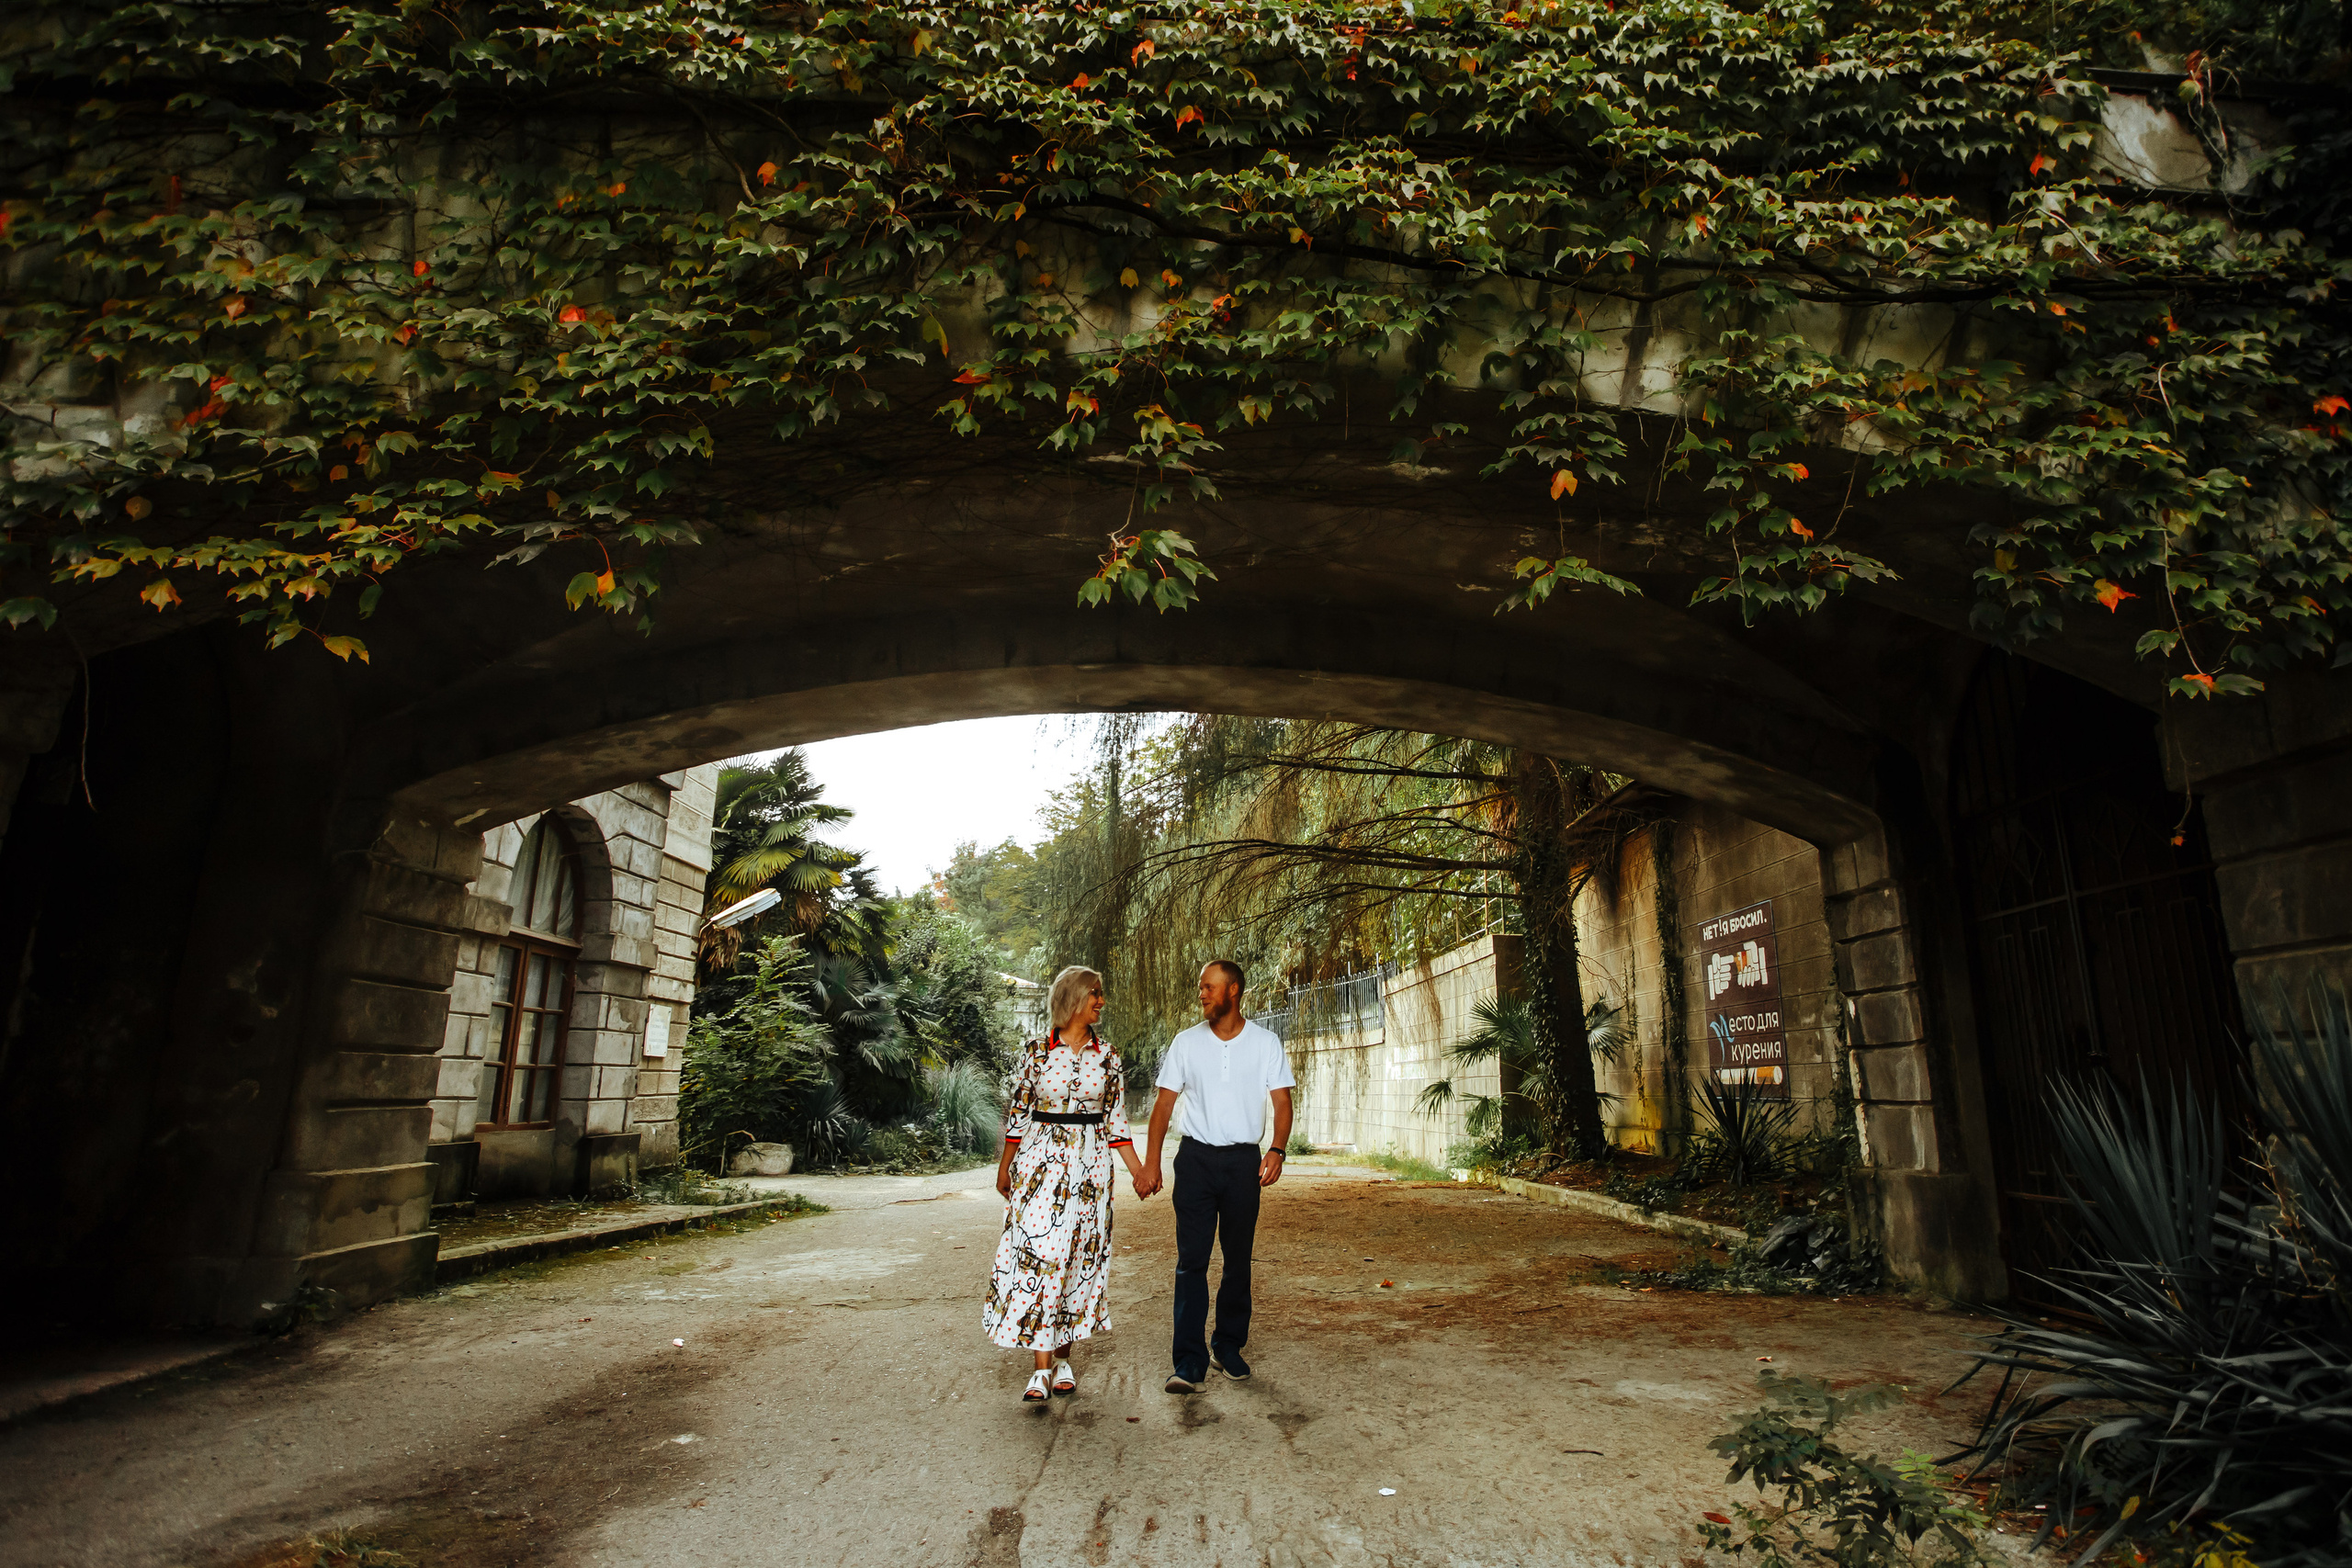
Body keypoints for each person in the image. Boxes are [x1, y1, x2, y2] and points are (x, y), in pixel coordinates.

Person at [983, 964, 1159, 1403]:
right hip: (1040, 1165)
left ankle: (1063, 1359)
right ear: (1073, 998)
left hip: (1092, 1168)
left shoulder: (1109, 1056)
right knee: (1041, 1258)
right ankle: (1041, 1370)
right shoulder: (1036, 1053)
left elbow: (1116, 1121)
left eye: (1101, 994)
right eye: (1095, 993)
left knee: (1078, 1259)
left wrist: (1139, 1170)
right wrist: (1005, 1168)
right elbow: (1019, 1116)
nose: (1101, 1000)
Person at [1143, 959, 1295, 1394]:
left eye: (1209, 987)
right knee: (1191, 1262)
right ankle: (1187, 1362)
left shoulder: (1265, 1042)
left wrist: (1277, 1150)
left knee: (1237, 1260)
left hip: (1242, 1164)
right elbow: (1163, 1106)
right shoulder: (1186, 1043)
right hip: (1194, 1162)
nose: (1202, 994)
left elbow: (1282, 1103)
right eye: (1200, 987)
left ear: (1233, 991)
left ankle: (1227, 1346)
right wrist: (1152, 1163)